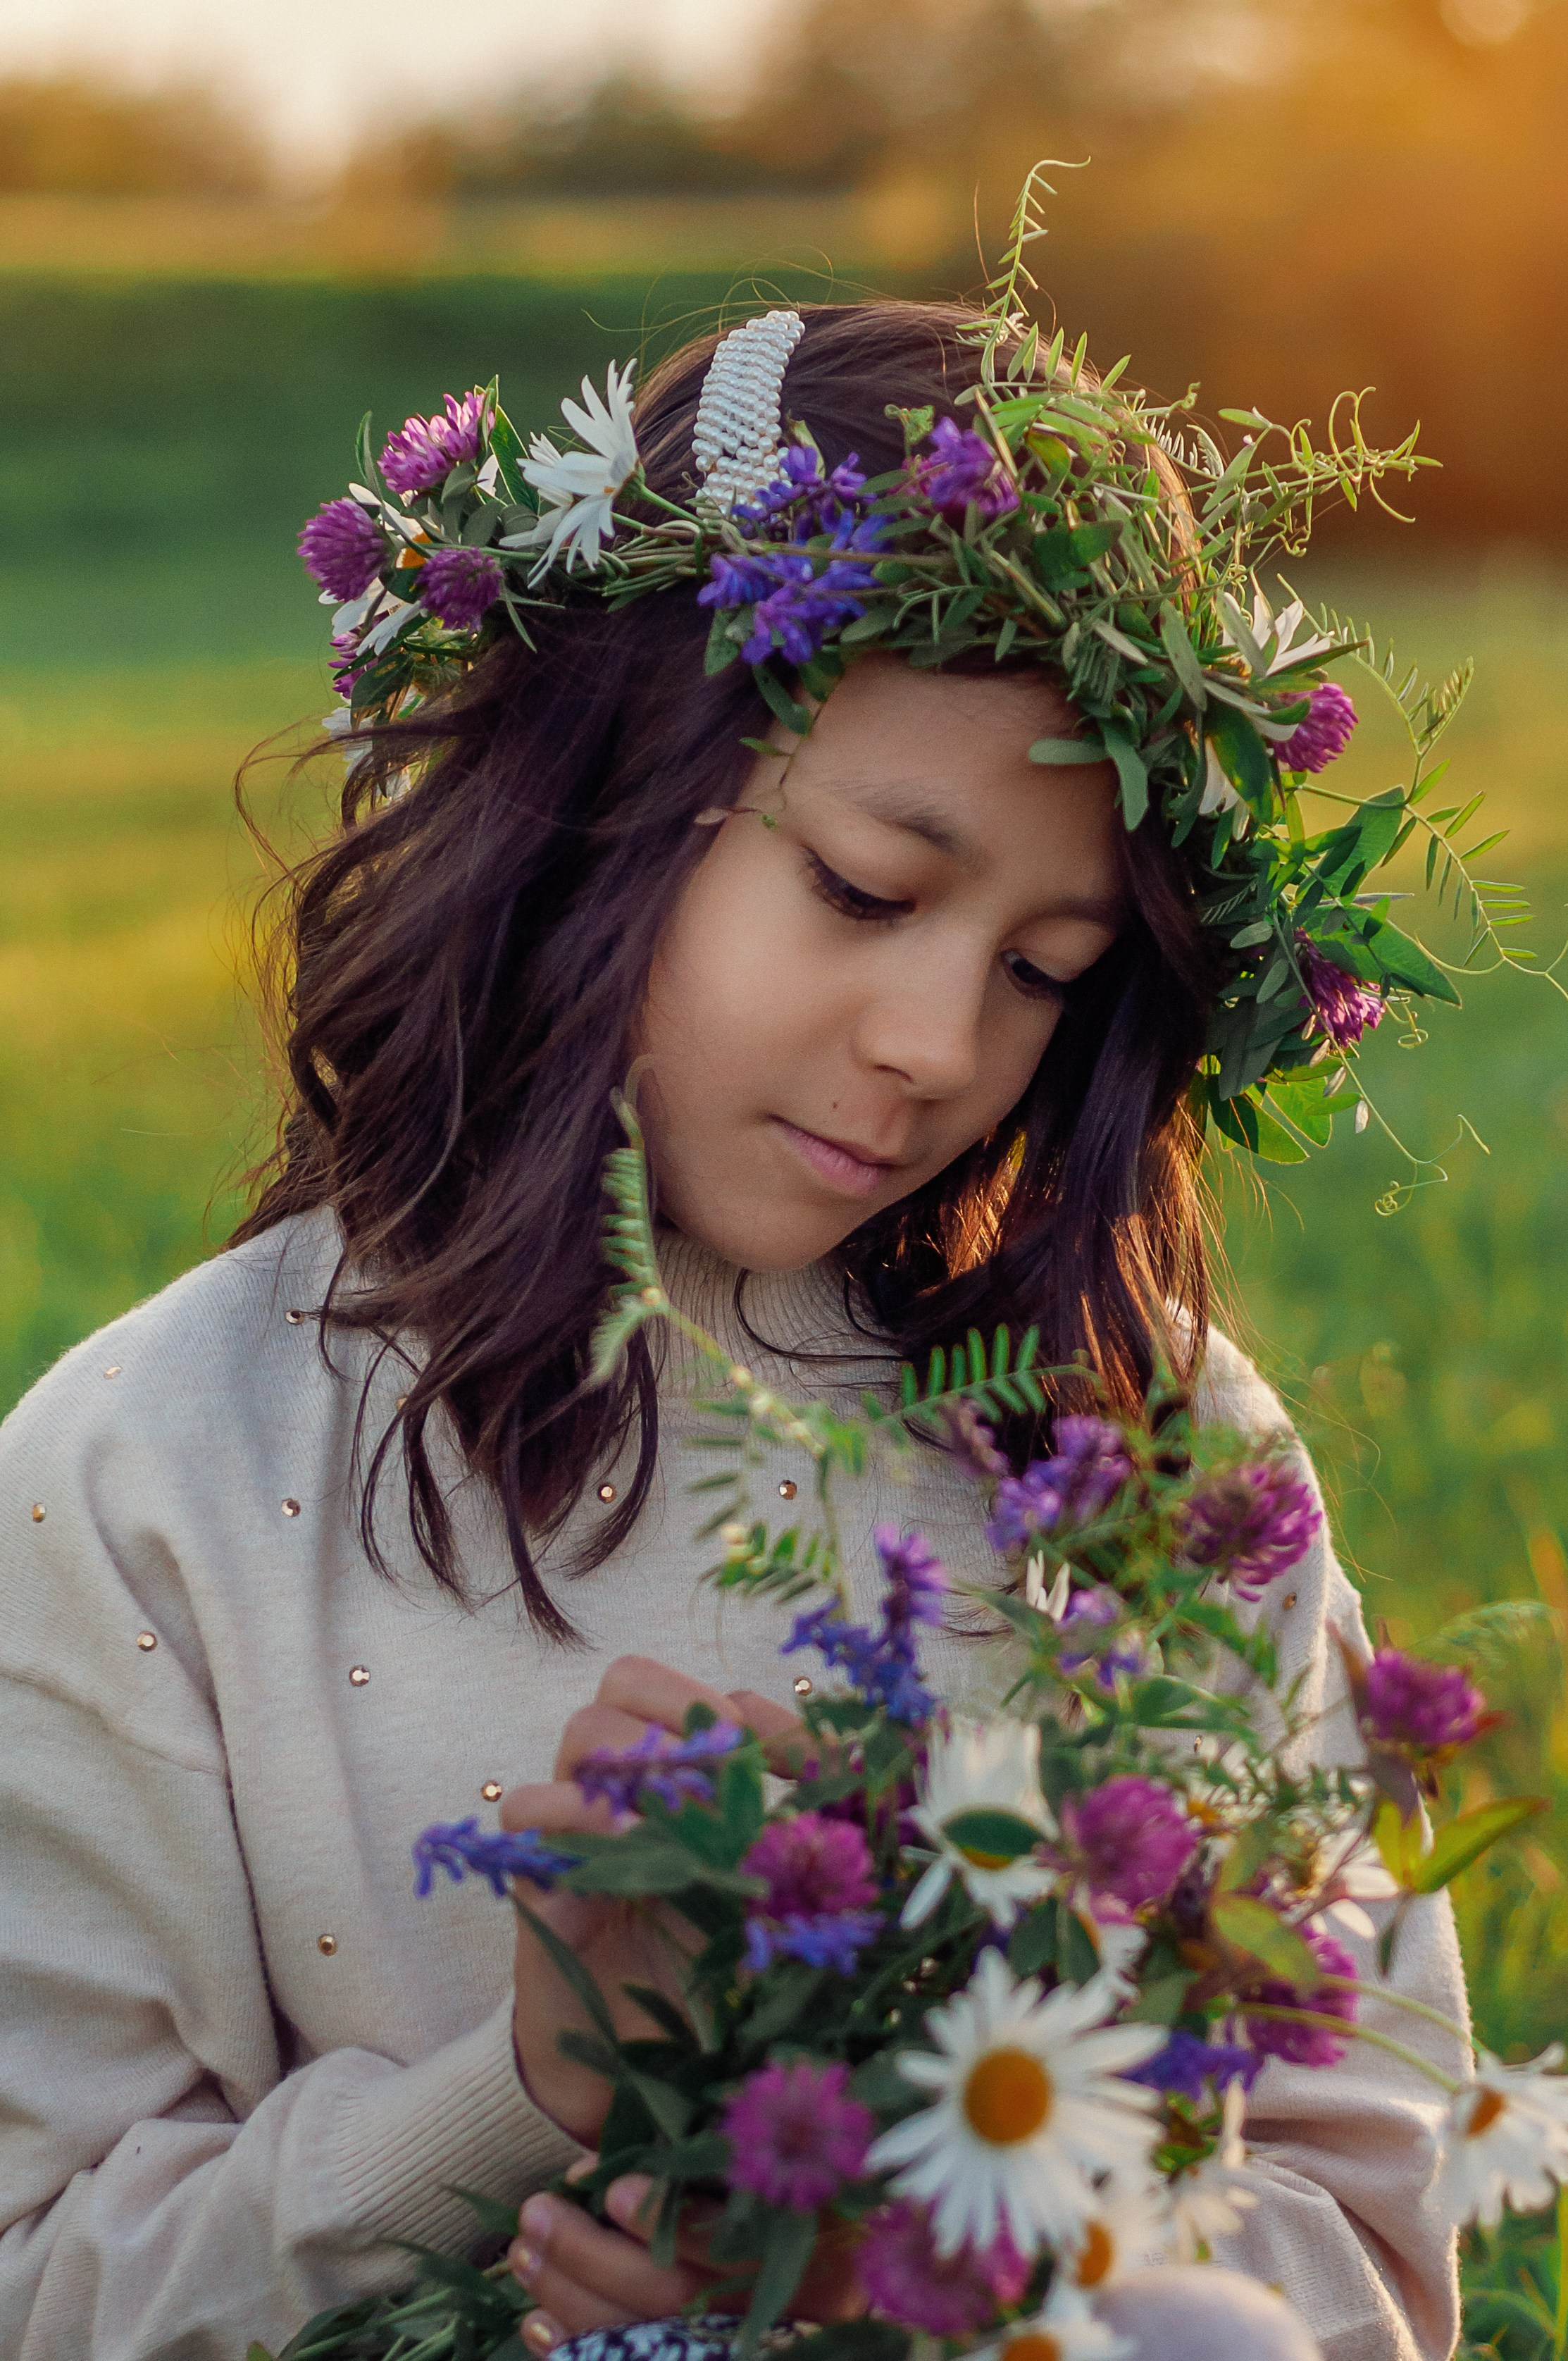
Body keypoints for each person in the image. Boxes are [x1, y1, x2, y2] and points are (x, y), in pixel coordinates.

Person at [0, 297, 1469, 2361]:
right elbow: (40, 2278)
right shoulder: (152, 1474)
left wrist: (911, 2280)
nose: (934, 1045)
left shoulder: (1149, 1463)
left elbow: (1367, 2226)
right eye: (868, 891)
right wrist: (533, 2099)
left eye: (1047, 968)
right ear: (595, 784)